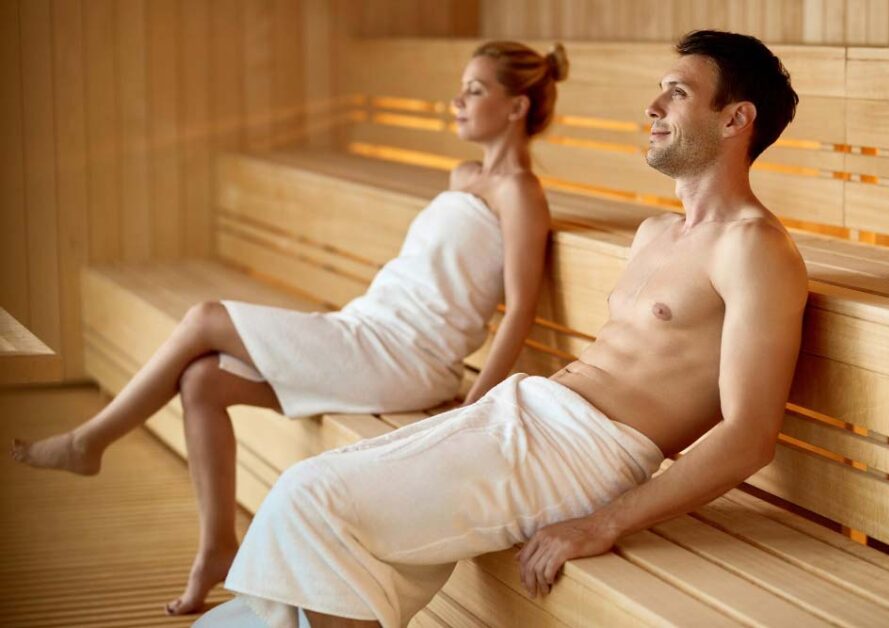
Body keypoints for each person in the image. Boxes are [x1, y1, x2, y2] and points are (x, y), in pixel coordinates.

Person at [202, 29, 808, 628]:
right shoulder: (655, 233)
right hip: (524, 411)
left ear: (735, 119)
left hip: (585, 453)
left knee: (312, 499)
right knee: (308, 527)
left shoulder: (755, 249)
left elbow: (751, 434)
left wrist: (603, 522)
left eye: (677, 93)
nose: (652, 107)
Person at [10, 41, 570, 615]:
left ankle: (89, 441)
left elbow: (521, 310)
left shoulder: (520, 196)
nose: (456, 100)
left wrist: (474, 409)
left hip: (404, 355)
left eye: (475, 90)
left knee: (207, 317)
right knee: (202, 381)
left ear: (516, 107)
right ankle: (218, 549)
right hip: (367, 324)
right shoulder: (464, 177)